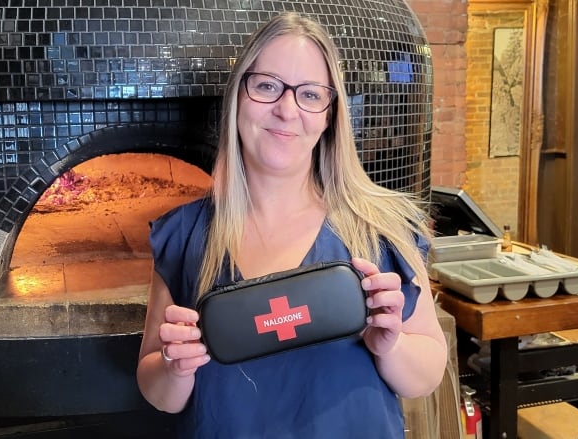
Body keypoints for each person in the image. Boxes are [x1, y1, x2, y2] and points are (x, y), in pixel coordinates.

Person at [137, 12, 447, 438]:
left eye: (310, 94)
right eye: (266, 86)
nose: (287, 109)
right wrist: (174, 368)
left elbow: (426, 375)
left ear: (328, 115)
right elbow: (157, 391)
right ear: (238, 97)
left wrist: (390, 345)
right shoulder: (184, 235)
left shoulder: (382, 226)